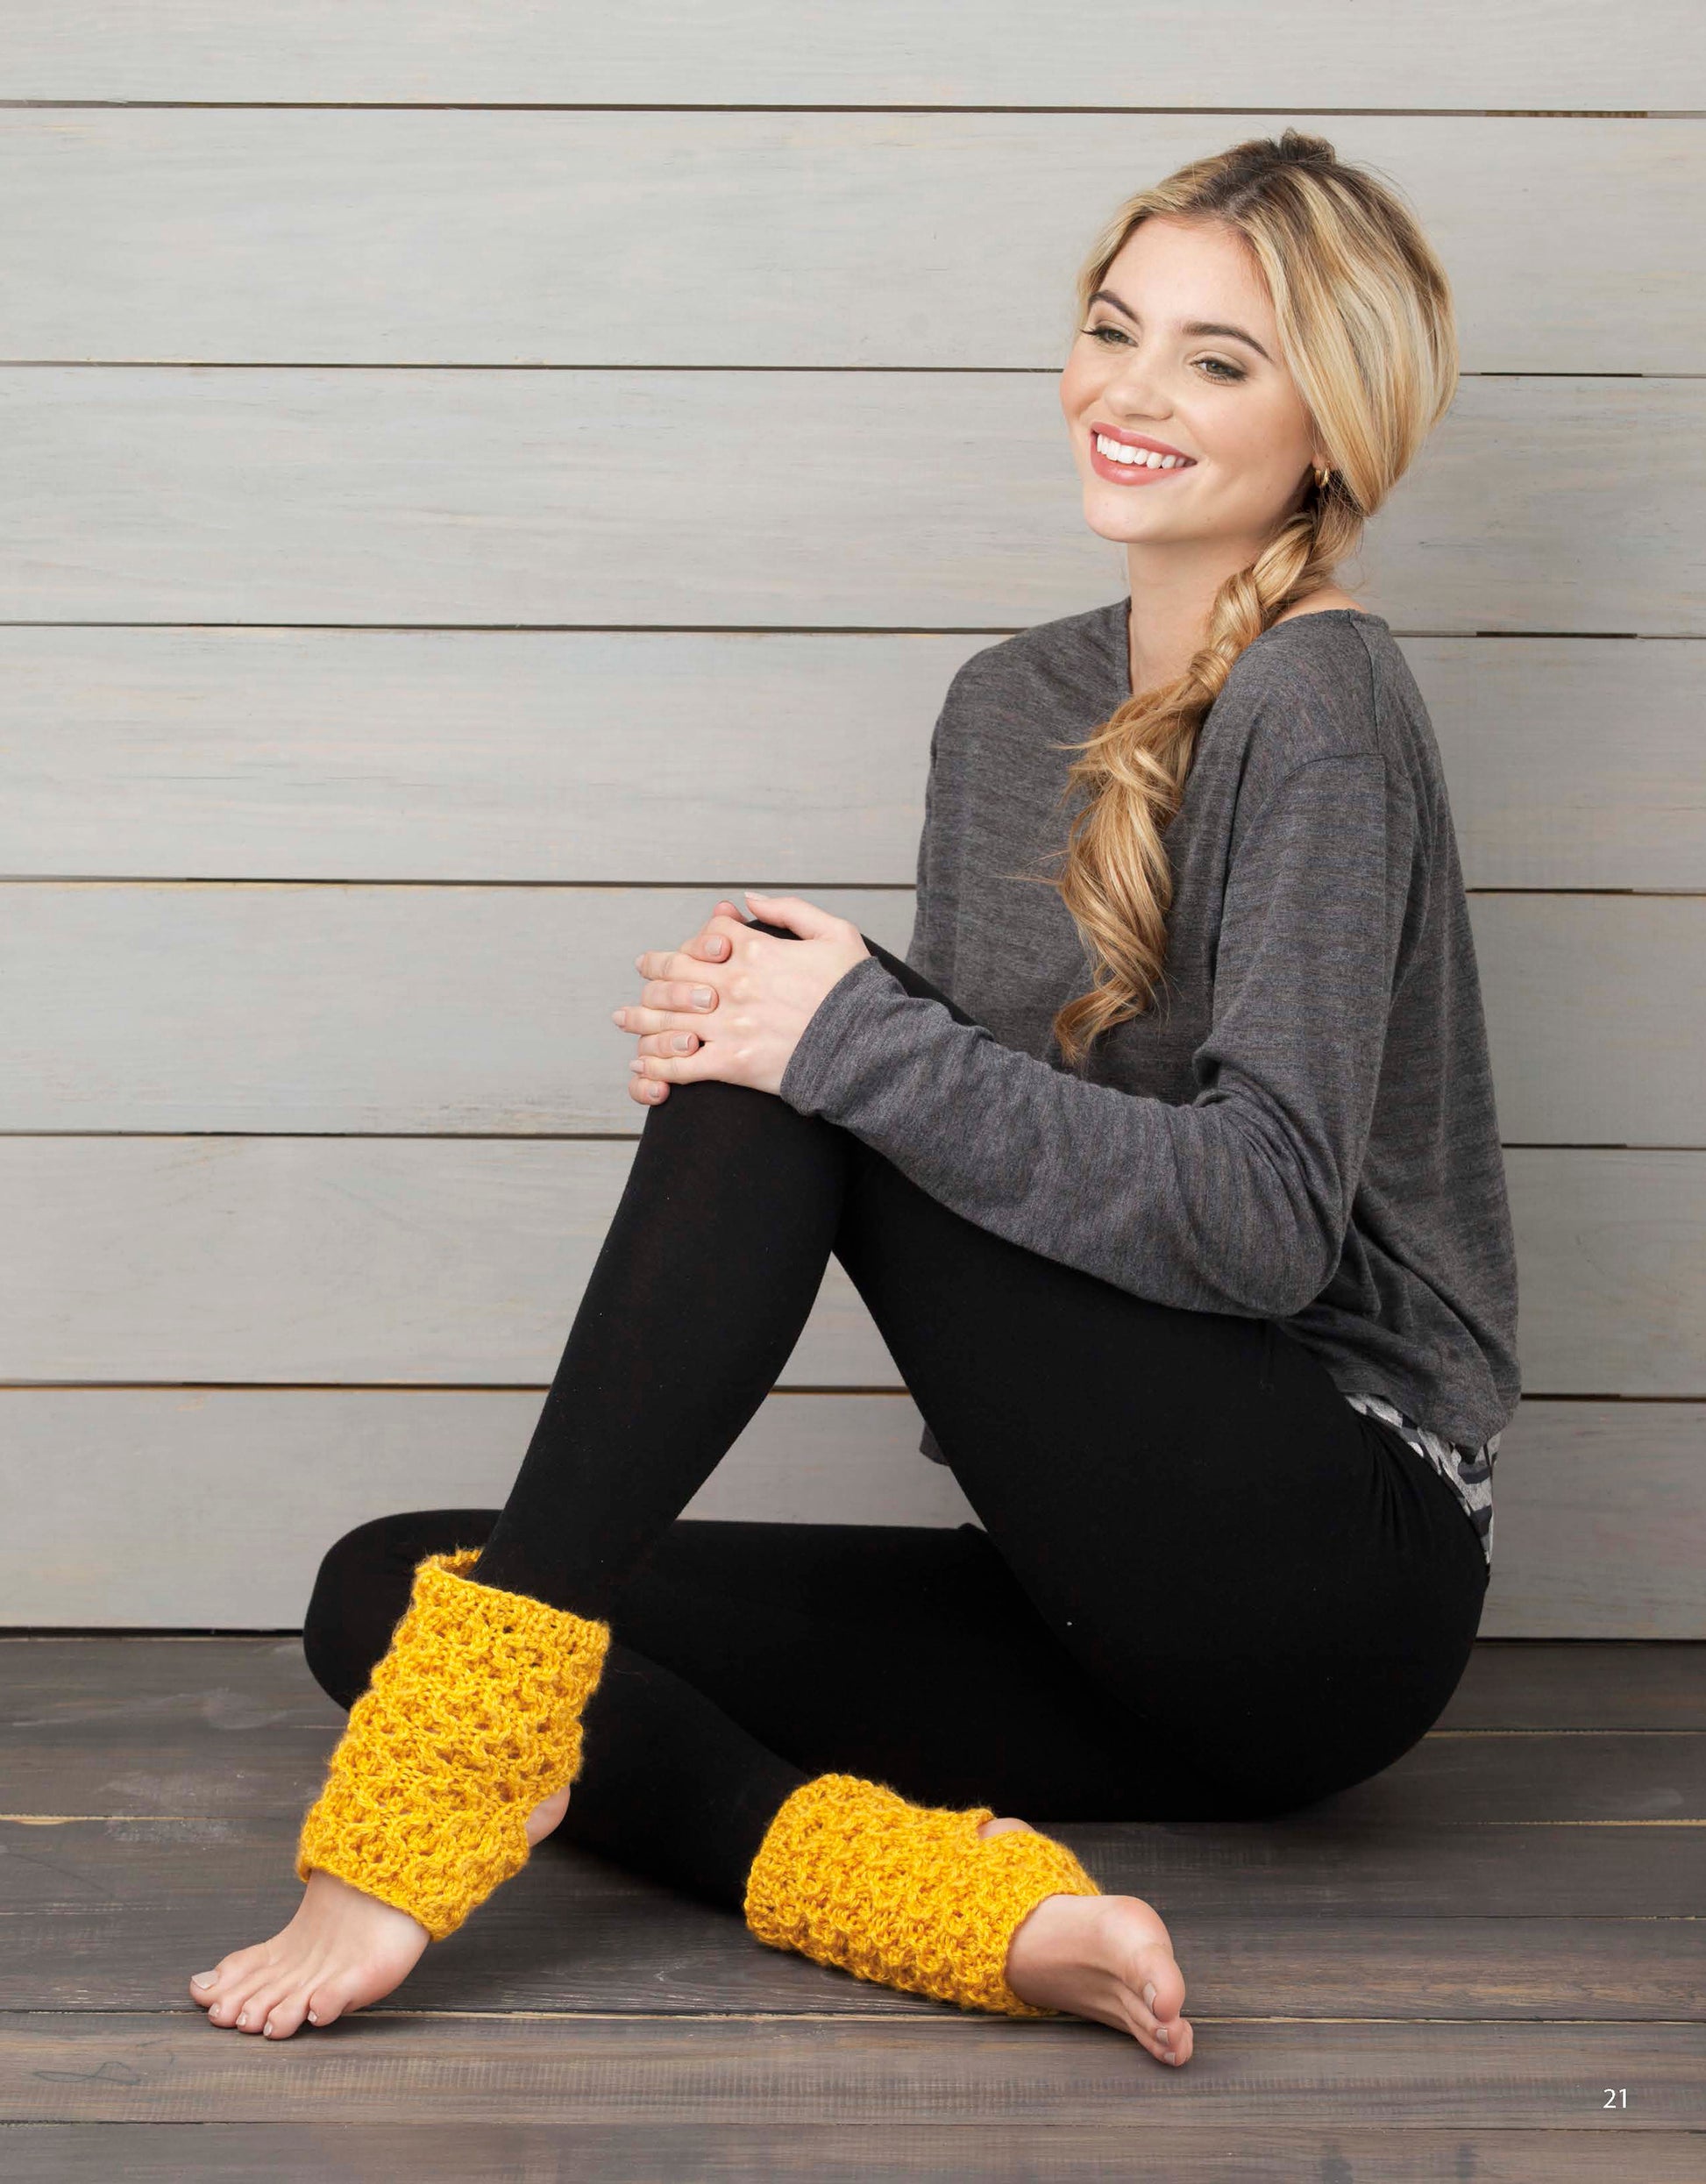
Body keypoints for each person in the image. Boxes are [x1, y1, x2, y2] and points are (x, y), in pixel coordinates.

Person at [185, 129, 1519, 2070]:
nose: (1133, 391)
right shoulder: (1009, 707)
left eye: (1218, 360)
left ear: (1334, 423)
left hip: (1325, 1576)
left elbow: (1260, 1225)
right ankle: (974, 1914)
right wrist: (817, 1051)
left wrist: (816, 1047)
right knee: (384, 1590)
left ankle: (435, 1792)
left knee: (804, 1034)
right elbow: (977, 1157)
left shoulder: (1322, 705)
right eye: (1113, 328)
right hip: (1091, 1598)